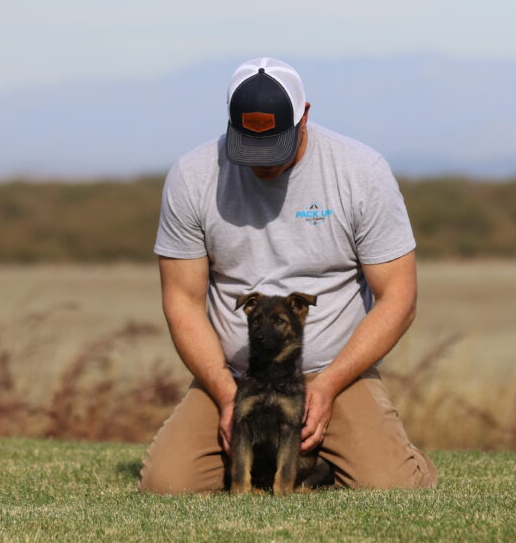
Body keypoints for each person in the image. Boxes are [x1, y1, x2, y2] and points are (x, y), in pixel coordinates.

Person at [138, 57, 436, 494]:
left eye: (275, 146)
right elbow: (182, 301)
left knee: (390, 485)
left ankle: (396, 459)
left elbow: (399, 298)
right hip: (237, 375)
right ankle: (292, 467)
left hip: (334, 369)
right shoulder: (192, 176)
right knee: (166, 486)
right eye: (249, 148)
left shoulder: (361, 171)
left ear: (305, 115)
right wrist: (225, 394)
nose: (262, 163)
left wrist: (330, 385)